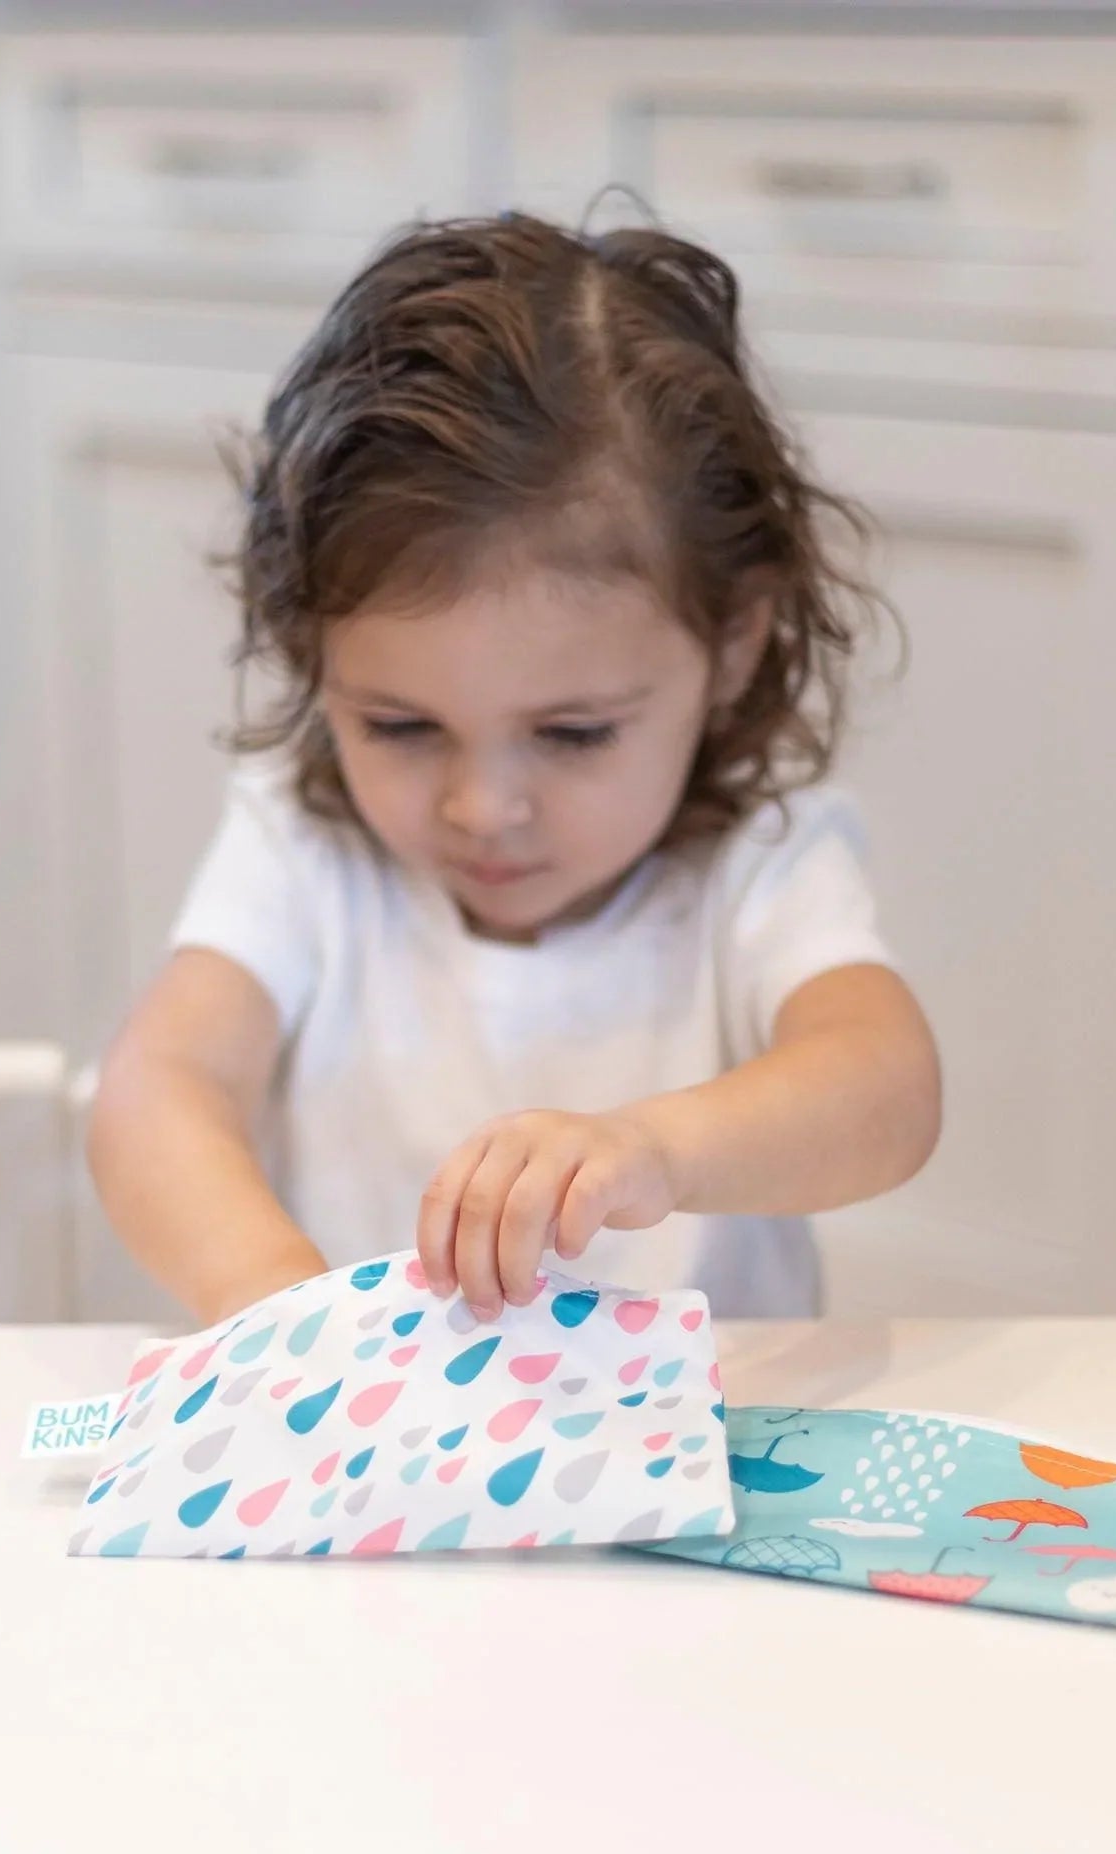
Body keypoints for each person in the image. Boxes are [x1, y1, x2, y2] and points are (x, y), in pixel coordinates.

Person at [86, 212, 941, 1332]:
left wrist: (655, 1149)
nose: (481, 806)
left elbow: (885, 1088)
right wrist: (273, 1309)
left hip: (709, 1470)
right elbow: (160, 1088)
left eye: (573, 733)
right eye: (398, 724)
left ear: (732, 640)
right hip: (371, 1479)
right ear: (312, 651)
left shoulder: (758, 866)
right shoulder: (302, 847)